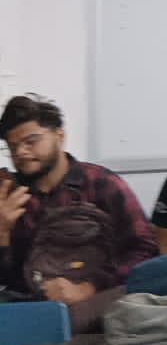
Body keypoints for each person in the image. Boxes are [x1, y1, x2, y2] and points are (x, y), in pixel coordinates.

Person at [0, 94, 158, 306]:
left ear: (59, 136)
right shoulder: (12, 197)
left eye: (31, 141)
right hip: (32, 307)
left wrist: (90, 287)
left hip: (99, 304)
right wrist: (2, 232)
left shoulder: (100, 183)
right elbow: (9, 278)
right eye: (12, 147)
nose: (20, 152)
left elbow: (145, 249)